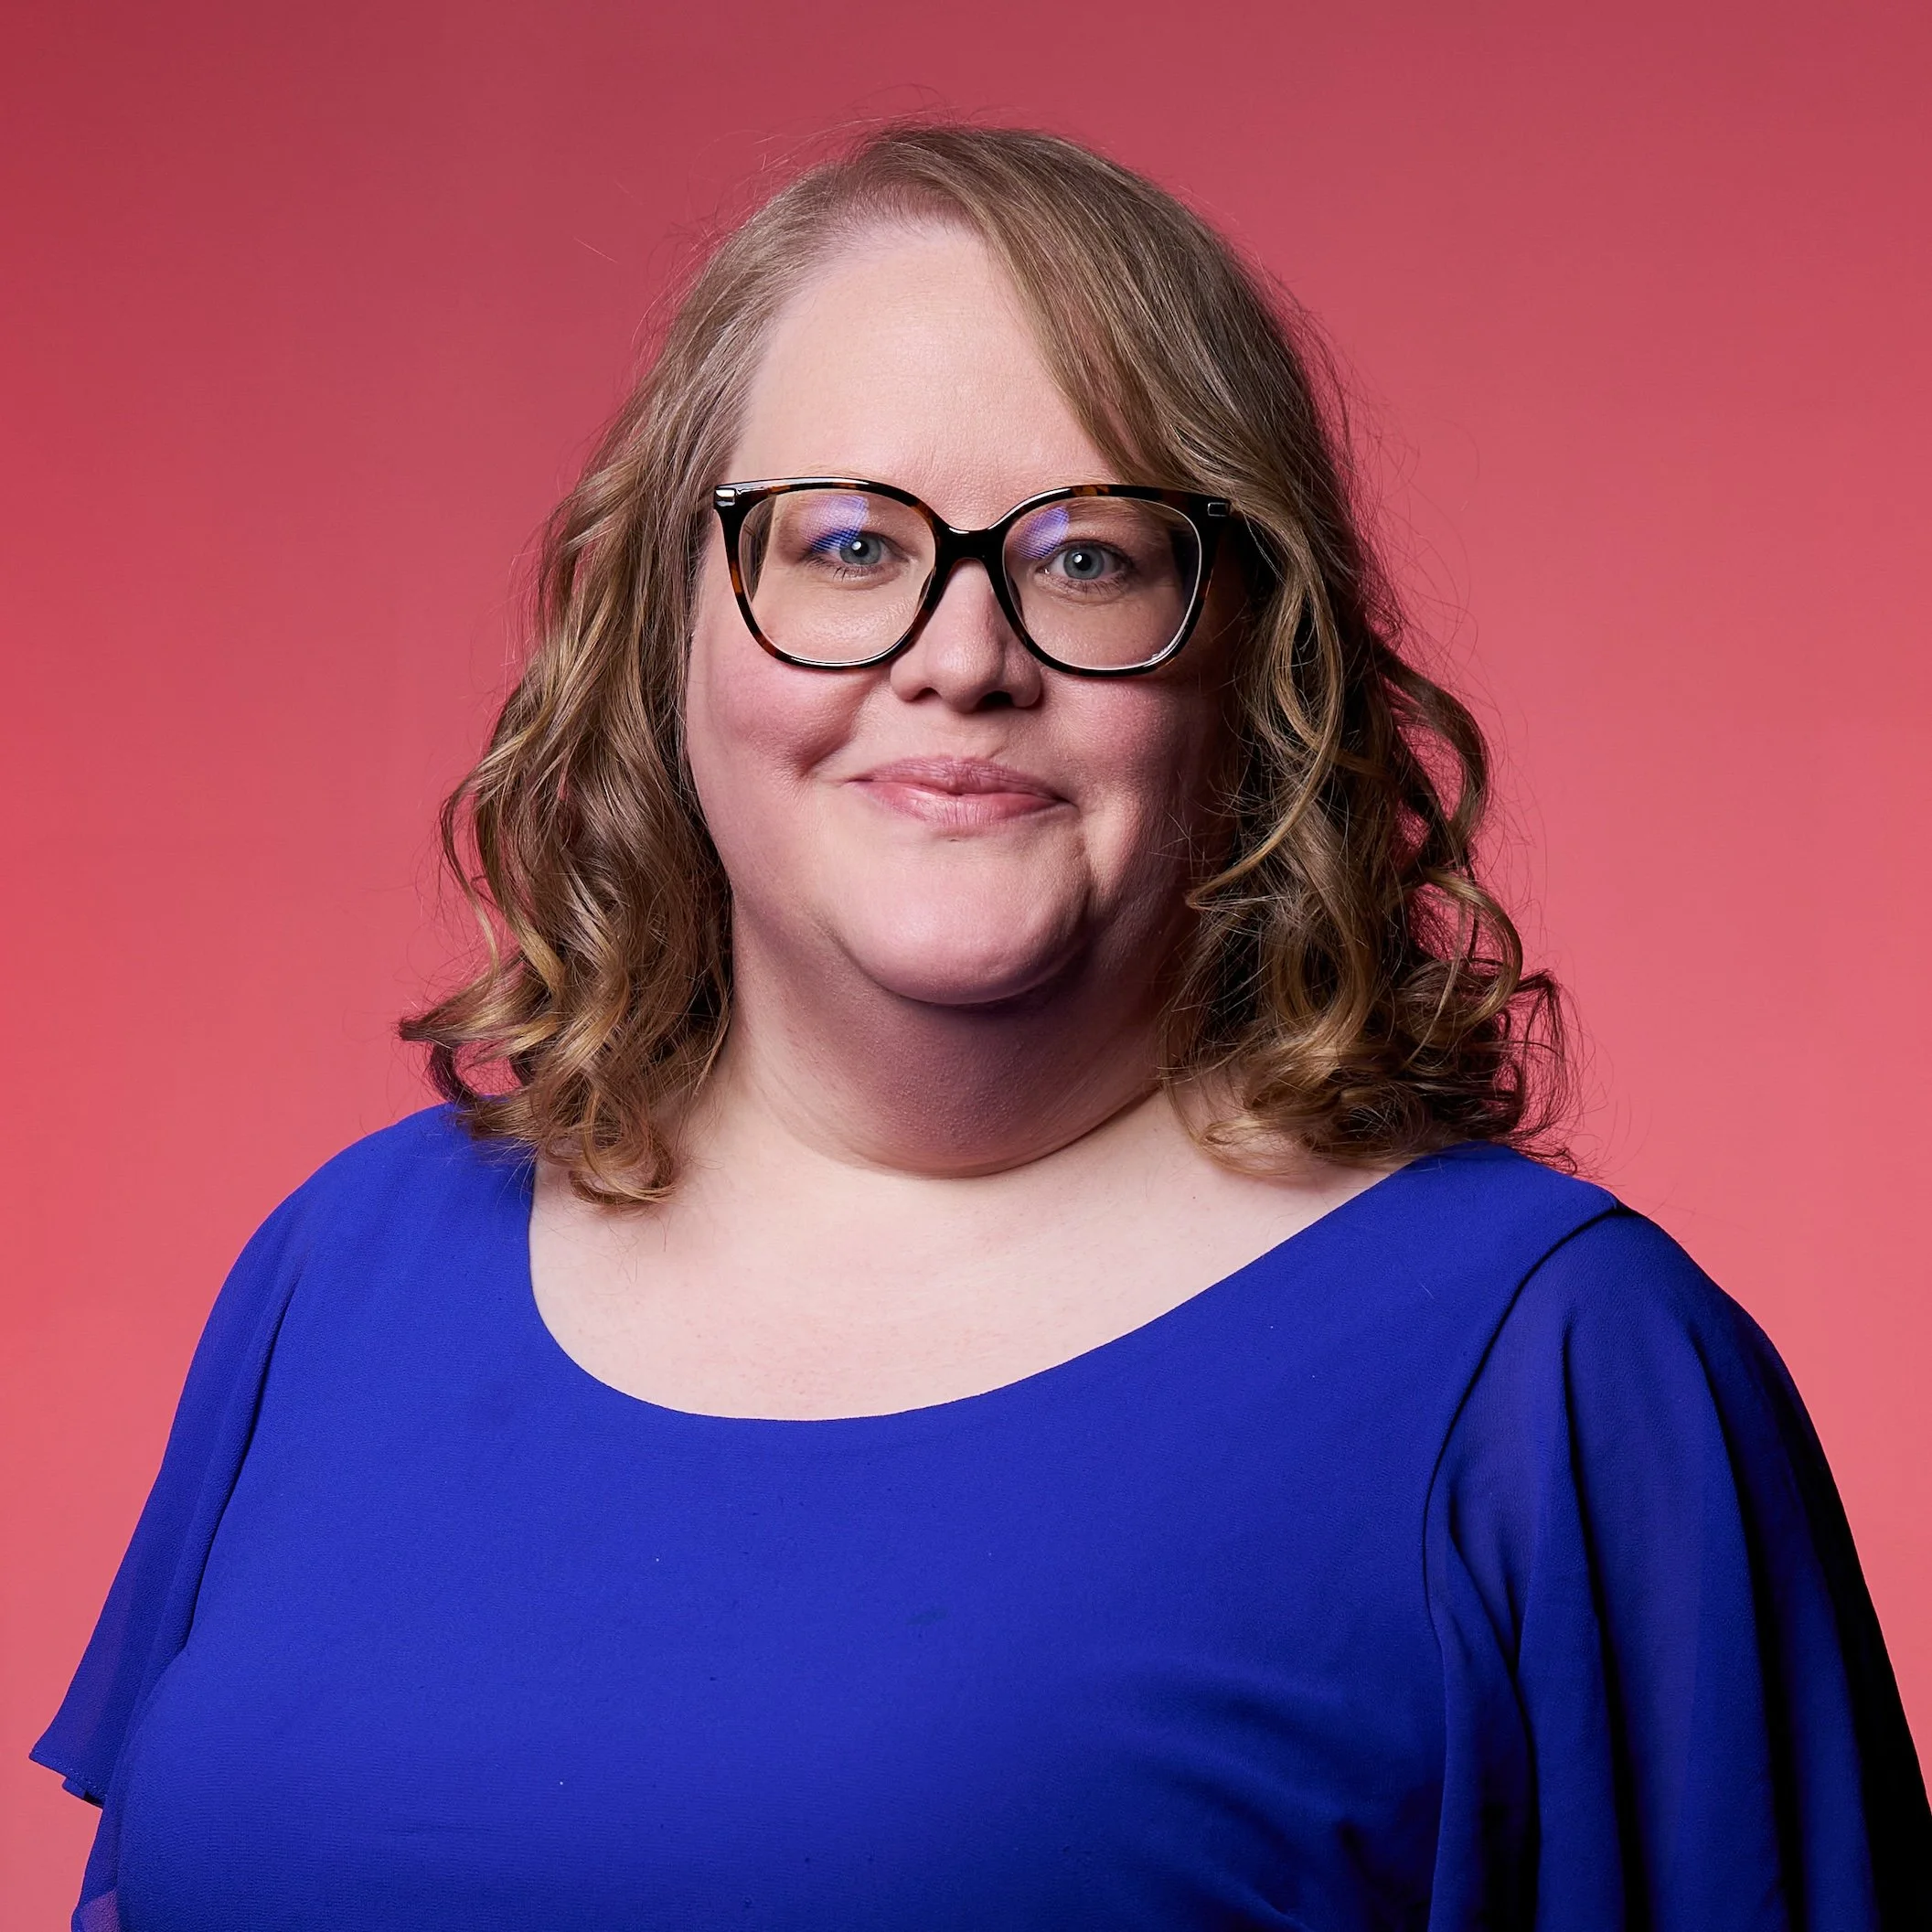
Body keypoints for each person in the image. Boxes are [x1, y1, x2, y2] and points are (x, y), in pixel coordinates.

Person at [33, 123, 1930, 1931]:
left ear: (1255, 662)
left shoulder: (1561, 1379)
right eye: (846, 545)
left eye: (1089, 555)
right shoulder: (347, 1276)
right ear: (663, 628)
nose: (961, 653)